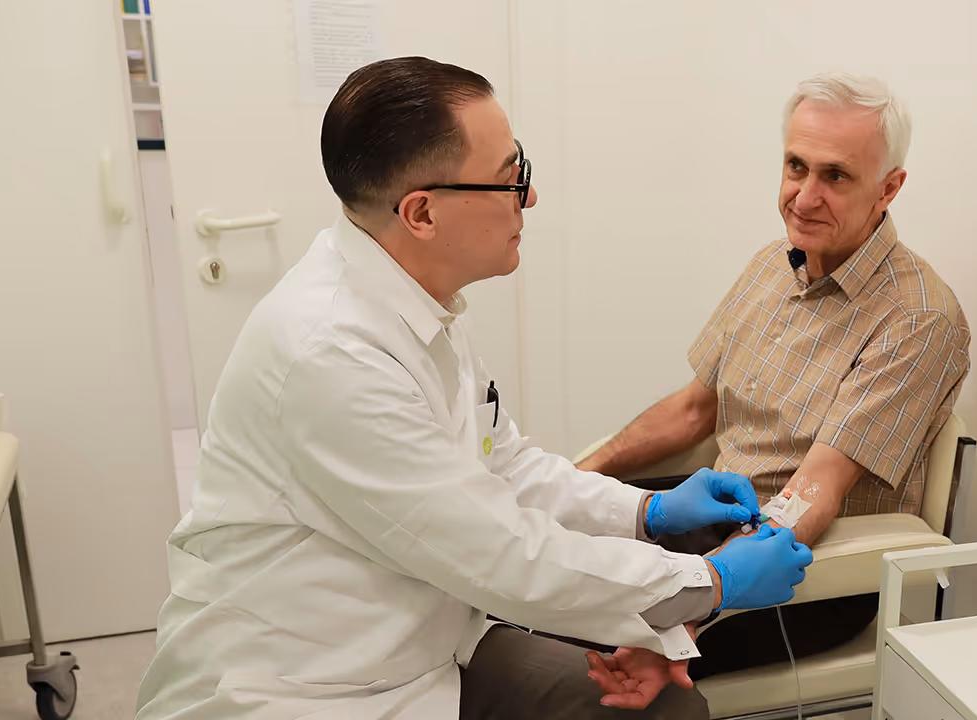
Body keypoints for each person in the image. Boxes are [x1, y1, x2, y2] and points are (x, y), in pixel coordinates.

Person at [133, 56, 813, 720]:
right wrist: (711, 583)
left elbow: (503, 466)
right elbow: (501, 556)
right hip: (307, 683)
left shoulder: (421, 301)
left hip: (425, 641)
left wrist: (644, 513)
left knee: (667, 705)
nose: (532, 196)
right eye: (510, 177)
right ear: (422, 214)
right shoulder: (331, 353)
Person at [578, 71, 971, 683]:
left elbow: (816, 488)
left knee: (573, 647)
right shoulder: (772, 264)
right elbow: (691, 411)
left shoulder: (918, 318)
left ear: (888, 188)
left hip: (798, 575)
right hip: (709, 521)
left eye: (835, 176)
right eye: (796, 167)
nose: (804, 197)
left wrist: (693, 619)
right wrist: (572, 483)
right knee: (526, 570)